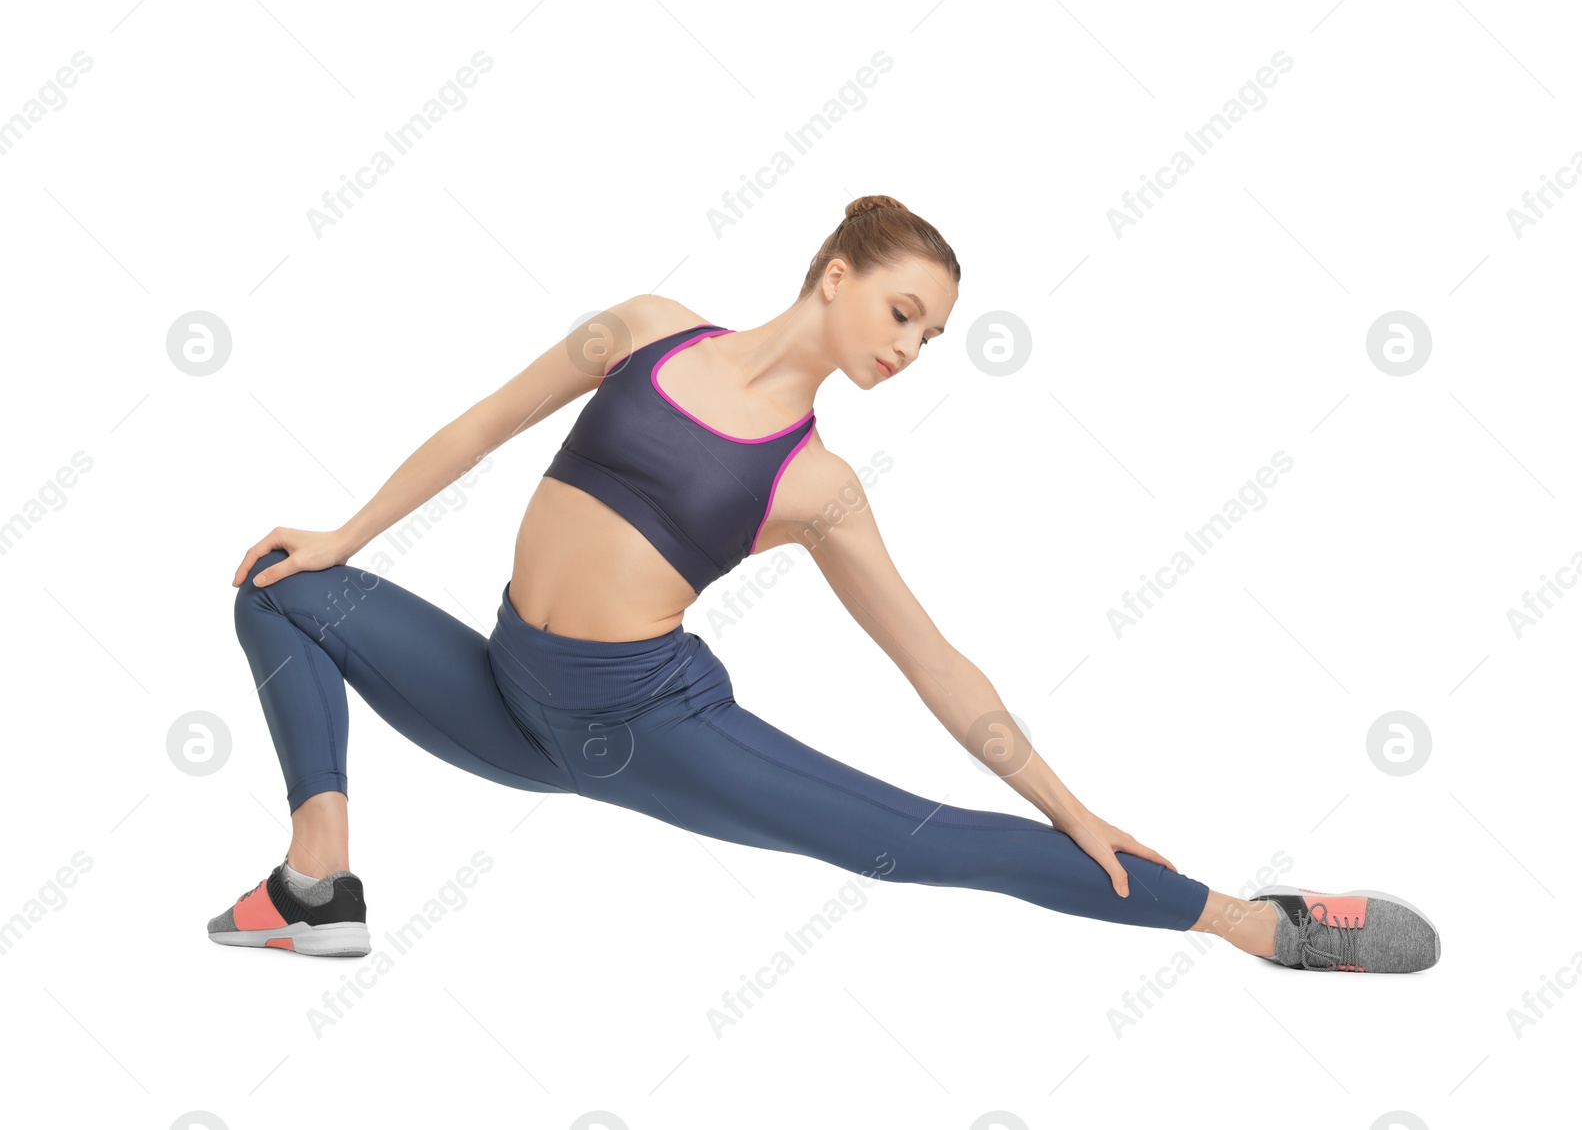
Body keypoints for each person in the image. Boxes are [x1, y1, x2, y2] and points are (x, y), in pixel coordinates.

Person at [211, 195, 1440, 973]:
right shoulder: (645, 328)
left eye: (928, 338)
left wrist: (1069, 799)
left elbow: (933, 660)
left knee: (923, 845)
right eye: (902, 311)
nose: (907, 349)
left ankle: (1253, 921)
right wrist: (349, 530)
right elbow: (480, 425)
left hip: (645, 729)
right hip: (504, 685)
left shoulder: (818, 484)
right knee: (276, 584)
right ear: (835, 269)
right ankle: (318, 879)